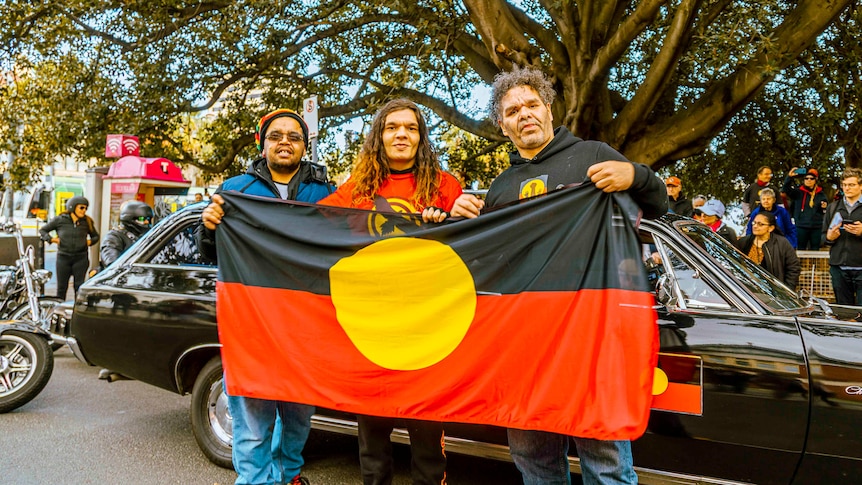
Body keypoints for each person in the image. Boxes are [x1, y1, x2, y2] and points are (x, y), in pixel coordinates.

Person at [448, 66, 666, 485]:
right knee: (534, 460)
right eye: (513, 110)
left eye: (532, 104)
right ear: (502, 124)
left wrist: (636, 175)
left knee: (605, 462)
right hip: (523, 343)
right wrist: (465, 221)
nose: (524, 114)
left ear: (549, 110)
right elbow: (488, 263)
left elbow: (659, 207)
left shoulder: (594, 155)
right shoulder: (499, 187)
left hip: (592, 338)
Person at [319, 98, 459, 485]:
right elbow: (306, 223)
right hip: (372, 328)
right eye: (392, 127)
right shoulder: (356, 190)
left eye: (410, 128)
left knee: (428, 441)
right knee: (373, 440)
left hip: (429, 329)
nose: (401, 134)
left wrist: (448, 219)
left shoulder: (445, 186)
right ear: (379, 137)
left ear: (420, 137)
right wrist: (235, 215)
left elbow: (468, 242)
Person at [195, 108, 334, 485]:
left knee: (298, 415)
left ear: (305, 145)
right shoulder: (235, 189)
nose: (285, 142)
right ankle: (255, 481)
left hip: (305, 324)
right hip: (252, 323)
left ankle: (289, 475)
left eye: (294, 136)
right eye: (276, 136)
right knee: (253, 420)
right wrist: (209, 228)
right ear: (262, 143)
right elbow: (209, 251)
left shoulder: (326, 192)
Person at [40, 196, 99, 299]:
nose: (84, 210)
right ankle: (59, 311)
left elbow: (95, 236)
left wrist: (89, 242)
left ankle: (77, 312)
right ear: (72, 207)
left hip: (81, 258)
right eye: (81, 207)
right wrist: (52, 239)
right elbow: (43, 230)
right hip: (63, 258)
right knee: (62, 288)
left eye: (85, 208)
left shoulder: (87, 221)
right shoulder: (60, 220)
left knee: (78, 286)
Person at [823, 167, 862, 305]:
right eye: (844, 185)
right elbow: (823, 237)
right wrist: (829, 237)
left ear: (860, 186)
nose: (847, 188)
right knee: (845, 314)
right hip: (839, 268)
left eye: (851, 185)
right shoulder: (832, 208)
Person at [735, 211, 800, 289]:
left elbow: (793, 268)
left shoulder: (782, 243)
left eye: (760, 224)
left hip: (772, 292)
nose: (755, 226)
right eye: (754, 223)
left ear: (771, 228)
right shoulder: (744, 242)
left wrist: (786, 290)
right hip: (746, 289)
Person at [782, 167, 828, 250]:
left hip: (816, 227)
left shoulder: (821, 194)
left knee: (815, 250)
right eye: (806, 178)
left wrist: (824, 207)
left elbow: (824, 210)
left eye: (811, 178)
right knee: (800, 249)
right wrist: (789, 177)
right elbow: (785, 189)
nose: (809, 180)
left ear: (815, 180)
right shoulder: (798, 192)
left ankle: (814, 264)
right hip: (801, 226)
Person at [100, 201, 154, 267]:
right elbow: (111, 260)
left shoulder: (147, 236)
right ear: (129, 218)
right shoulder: (114, 236)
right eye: (142, 219)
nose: (146, 222)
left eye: (148, 219)